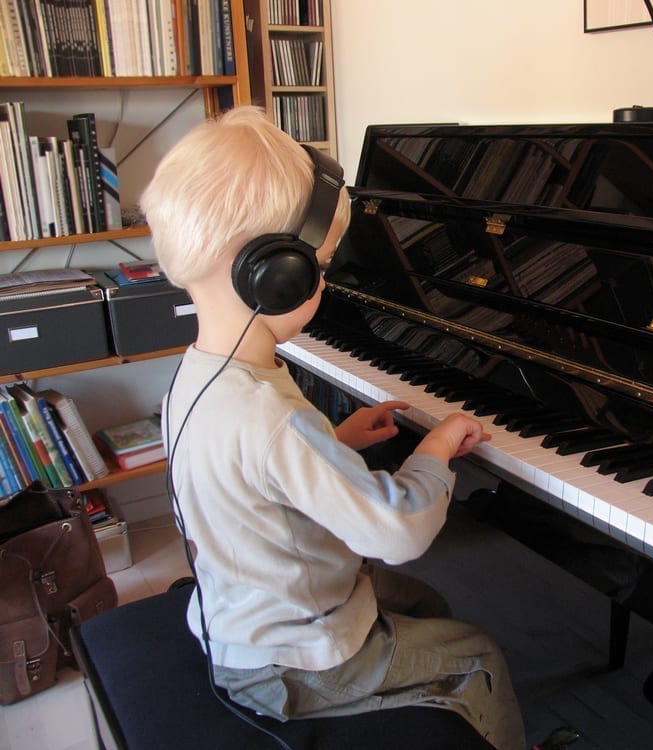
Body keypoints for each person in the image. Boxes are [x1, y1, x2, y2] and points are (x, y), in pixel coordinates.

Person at [139, 105, 526, 750]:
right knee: (479, 651)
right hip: (294, 661)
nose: (322, 280)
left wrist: (338, 443)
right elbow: (397, 530)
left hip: (239, 619)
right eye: (316, 265)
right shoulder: (270, 413)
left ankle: (430, 705)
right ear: (271, 274)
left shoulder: (197, 377)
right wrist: (434, 448)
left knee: (425, 603)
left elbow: (252, 476)